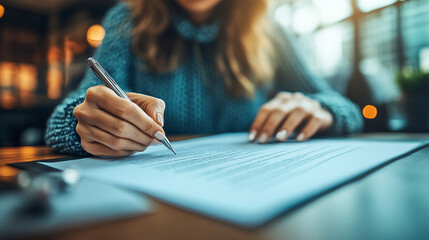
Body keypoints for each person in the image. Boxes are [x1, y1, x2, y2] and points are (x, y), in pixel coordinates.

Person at [45, 0, 363, 157]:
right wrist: (80, 124)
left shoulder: (269, 30)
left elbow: (344, 106)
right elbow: (67, 114)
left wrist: (322, 110)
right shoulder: (126, 20)